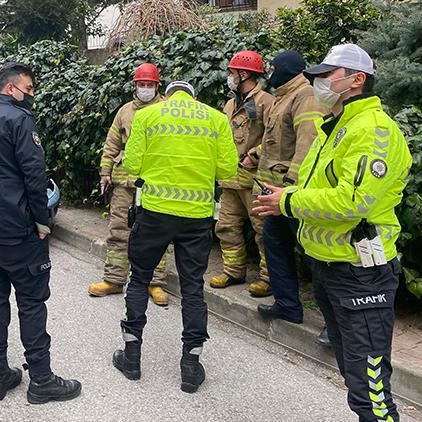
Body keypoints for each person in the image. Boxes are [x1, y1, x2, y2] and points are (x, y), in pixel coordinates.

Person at [255, 43, 412, 422]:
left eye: (328, 74)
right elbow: (317, 186)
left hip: (362, 275)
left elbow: (353, 201)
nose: (318, 81)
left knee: (371, 392)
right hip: (330, 268)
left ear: (357, 79)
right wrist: (288, 194)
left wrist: (287, 203)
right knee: (354, 376)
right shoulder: (335, 126)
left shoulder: (373, 131)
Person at [0, 62, 81, 404]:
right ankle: (41, 380)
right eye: (29, 88)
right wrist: (42, 223)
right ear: (11, 88)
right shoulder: (19, 120)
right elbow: (33, 176)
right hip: (17, 229)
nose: (31, 96)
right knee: (31, 301)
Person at [112, 80, 237, 394]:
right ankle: (190, 368)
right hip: (196, 217)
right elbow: (227, 169)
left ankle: (132, 357)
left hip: (154, 213)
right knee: (193, 287)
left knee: (139, 278)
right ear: (194, 97)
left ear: (165, 95)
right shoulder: (216, 119)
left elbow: (132, 164)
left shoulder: (148, 116)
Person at [249, 51, 326, 327]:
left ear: (288, 70)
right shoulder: (284, 97)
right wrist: (255, 155)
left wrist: (293, 188)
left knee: (312, 254)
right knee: (276, 245)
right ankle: (287, 306)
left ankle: (334, 322)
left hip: (291, 195)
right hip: (275, 194)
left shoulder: (306, 97)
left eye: (274, 68)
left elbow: (308, 144)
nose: (271, 73)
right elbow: (276, 141)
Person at [89, 63, 170, 306]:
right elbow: (111, 143)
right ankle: (114, 279)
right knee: (119, 230)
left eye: (150, 85)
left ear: (157, 86)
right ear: (134, 86)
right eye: (141, 84)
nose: (145, 88)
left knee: (157, 232)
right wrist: (105, 173)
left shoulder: (167, 110)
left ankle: (155, 283)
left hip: (154, 181)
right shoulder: (124, 111)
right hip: (124, 180)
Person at [209, 50, 274, 297]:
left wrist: (254, 155)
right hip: (230, 179)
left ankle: (268, 278)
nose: (230, 76)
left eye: (232, 72)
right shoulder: (230, 103)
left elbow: (274, 138)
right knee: (226, 226)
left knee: (262, 230)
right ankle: (233, 271)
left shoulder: (266, 102)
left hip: (255, 180)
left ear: (243, 74)